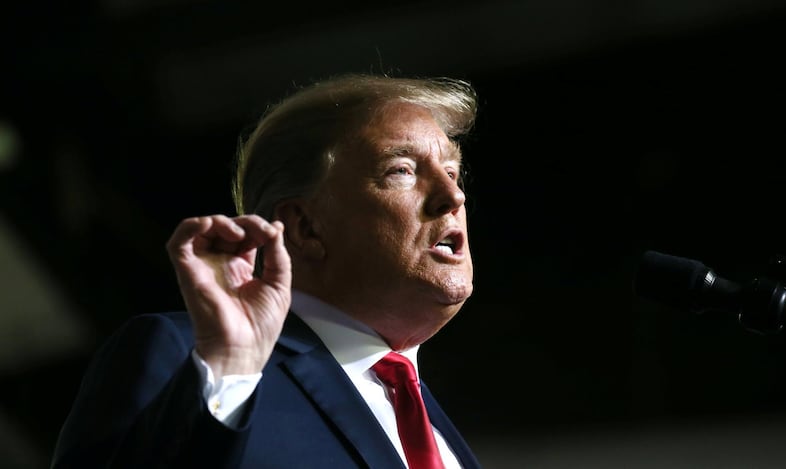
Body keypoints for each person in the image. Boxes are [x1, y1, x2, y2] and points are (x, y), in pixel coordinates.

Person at [51, 73, 483, 468]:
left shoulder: (433, 424)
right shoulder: (192, 358)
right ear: (305, 226)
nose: (453, 196)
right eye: (401, 170)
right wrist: (232, 364)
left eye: (452, 171)